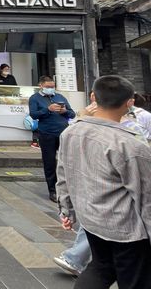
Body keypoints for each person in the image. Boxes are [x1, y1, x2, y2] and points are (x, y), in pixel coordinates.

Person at [57, 75, 151, 289]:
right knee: (134, 279)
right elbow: (146, 197)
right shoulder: (130, 144)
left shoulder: (71, 132)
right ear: (129, 103)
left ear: (93, 97)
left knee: (101, 268)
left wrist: (66, 210)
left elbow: (63, 173)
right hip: (127, 228)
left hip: (90, 218)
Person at [28, 76, 76, 202]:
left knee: (67, 161)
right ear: (41, 85)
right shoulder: (35, 98)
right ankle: (53, 190)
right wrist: (47, 110)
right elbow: (34, 114)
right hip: (46, 133)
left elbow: (72, 114)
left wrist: (65, 111)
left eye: (52, 87)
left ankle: (67, 189)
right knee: (49, 162)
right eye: (48, 87)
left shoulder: (60, 97)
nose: (50, 89)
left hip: (63, 132)